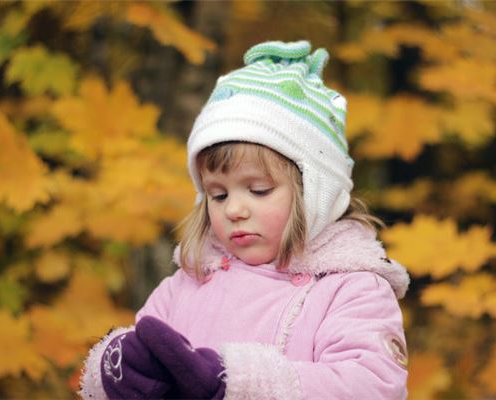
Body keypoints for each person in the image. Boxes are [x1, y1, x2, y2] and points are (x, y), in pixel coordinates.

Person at [79, 40, 410, 400]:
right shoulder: (189, 284)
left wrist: (236, 383)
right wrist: (119, 372)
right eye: (218, 195)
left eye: (259, 190)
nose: (233, 209)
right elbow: (143, 349)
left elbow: (371, 385)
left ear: (314, 194)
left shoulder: (351, 288)